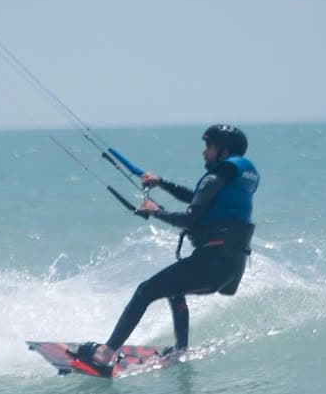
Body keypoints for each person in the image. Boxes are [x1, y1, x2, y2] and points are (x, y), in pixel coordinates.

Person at [76, 124, 260, 374]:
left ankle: (105, 353)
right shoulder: (239, 179)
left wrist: (155, 211)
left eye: (209, 147)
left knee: (145, 291)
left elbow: (189, 219)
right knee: (174, 289)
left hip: (212, 262)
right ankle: (180, 349)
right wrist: (160, 183)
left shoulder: (215, 178)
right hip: (231, 268)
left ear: (224, 150)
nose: (204, 153)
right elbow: (197, 198)